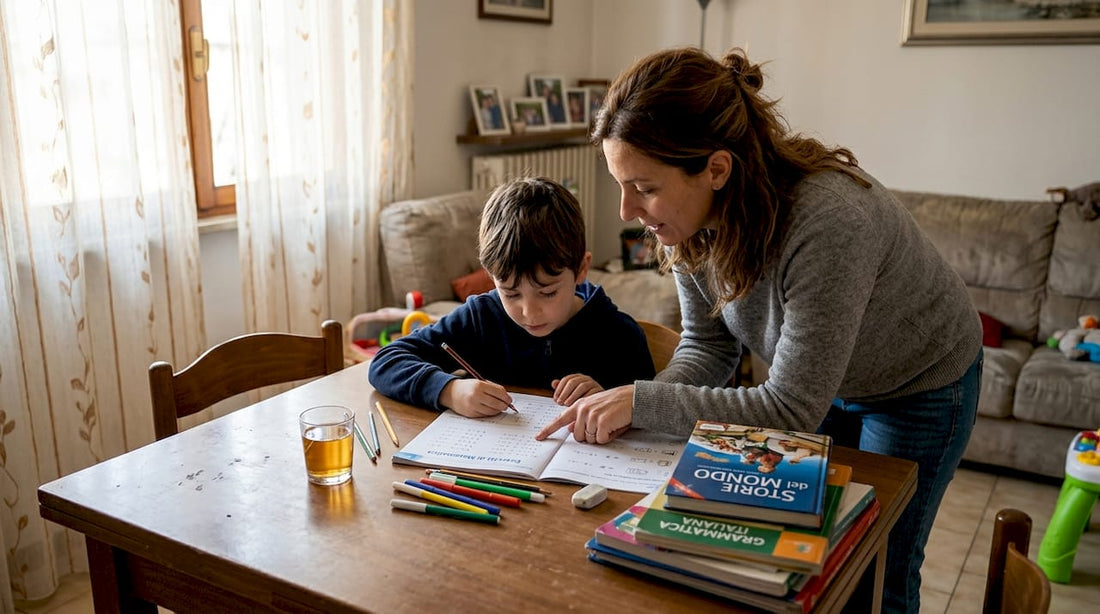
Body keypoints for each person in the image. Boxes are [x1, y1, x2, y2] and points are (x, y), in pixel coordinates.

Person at [534, 47, 983, 614]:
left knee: (879, 570)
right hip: (824, 381)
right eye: (622, 184)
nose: (626, 210)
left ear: (717, 169)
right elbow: (708, 345)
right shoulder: (688, 224)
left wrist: (643, 401)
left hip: (918, 385)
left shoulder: (829, 222)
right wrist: (643, 410)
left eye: (643, 187)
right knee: (805, 562)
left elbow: (791, 406)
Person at [369, 177, 655, 418]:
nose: (529, 312)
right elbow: (386, 361)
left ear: (581, 269)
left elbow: (649, 412)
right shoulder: (481, 317)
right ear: (492, 277)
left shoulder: (619, 335)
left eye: (548, 292)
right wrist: (449, 391)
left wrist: (609, 399)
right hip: (487, 476)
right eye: (511, 293)